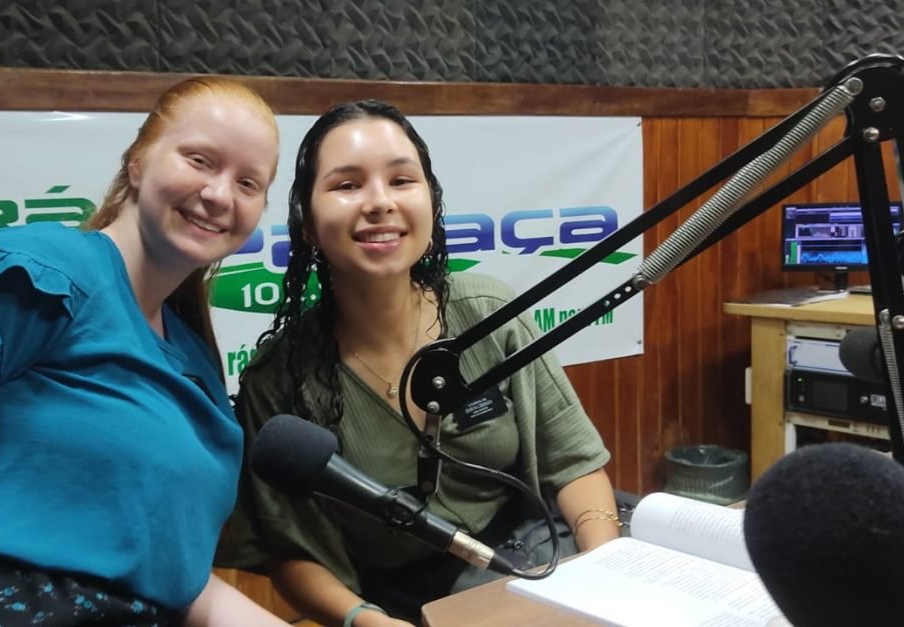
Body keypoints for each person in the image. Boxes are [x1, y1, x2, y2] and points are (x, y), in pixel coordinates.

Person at [217, 99, 621, 626]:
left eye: (401, 180)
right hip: (408, 605)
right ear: (308, 223)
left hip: (544, 556)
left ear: (430, 201)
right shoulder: (279, 379)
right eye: (347, 185)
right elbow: (293, 552)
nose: (379, 202)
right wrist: (366, 620)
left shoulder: (489, 314)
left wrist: (601, 575)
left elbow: (575, 463)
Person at [0, 76, 292, 626]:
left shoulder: (194, 360)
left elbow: (174, 582)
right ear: (137, 162)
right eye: (200, 161)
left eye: (248, 183)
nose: (220, 194)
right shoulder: (48, 273)